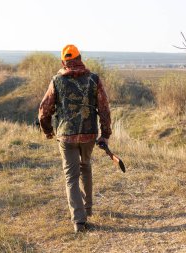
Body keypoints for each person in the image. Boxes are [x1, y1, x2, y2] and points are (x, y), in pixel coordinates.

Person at [38, 45, 112, 232]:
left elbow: (44, 111)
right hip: (88, 135)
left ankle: (79, 221)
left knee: (71, 176)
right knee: (85, 166)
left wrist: (48, 131)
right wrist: (105, 134)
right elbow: (104, 108)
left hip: (66, 135)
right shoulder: (94, 79)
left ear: (63, 62)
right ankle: (88, 208)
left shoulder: (56, 81)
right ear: (80, 58)